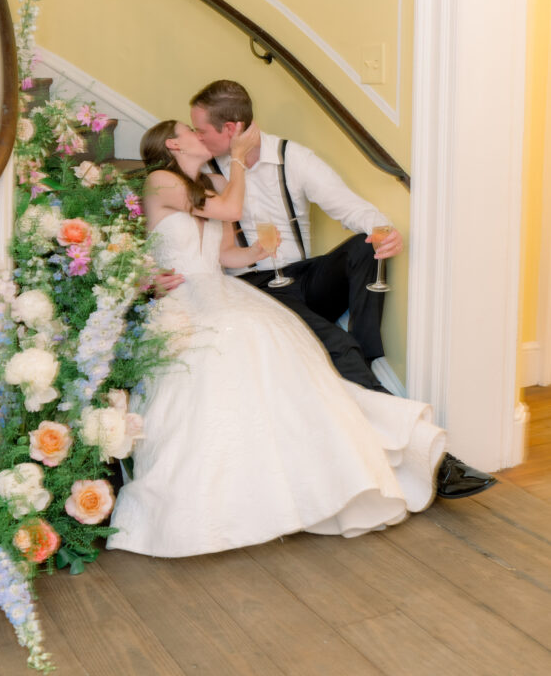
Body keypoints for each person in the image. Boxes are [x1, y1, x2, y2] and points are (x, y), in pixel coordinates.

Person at [106, 119, 446, 557]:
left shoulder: (212, 180)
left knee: (267, 330)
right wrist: (240, 163)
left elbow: (226, 252)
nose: (199, 134)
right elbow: (229, 212)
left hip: (220, 285)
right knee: (227, 338)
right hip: (183, 295)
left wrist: (256, 253)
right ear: (173, 144)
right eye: (190, 130)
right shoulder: (160, 180)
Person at [183, 79, 494, 501]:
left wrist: (384, 232)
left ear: (232, 129)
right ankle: (437, 463)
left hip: (303, 277)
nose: (197, 137)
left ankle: (363, 352)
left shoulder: (293, 158)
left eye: (201, 129)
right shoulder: (203, 174)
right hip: (257, 287)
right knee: (338, 348)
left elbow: (348, 206)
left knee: (366, 244)